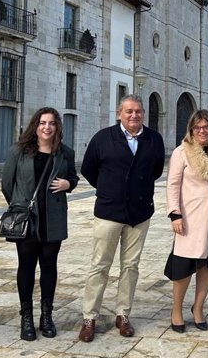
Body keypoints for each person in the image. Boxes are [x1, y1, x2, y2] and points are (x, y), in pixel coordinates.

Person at [78, 95, 165, 342]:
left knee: (130, 267)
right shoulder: (103, 138)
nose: (134, 115)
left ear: (143, 114)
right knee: (100, 266)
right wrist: (109, 190)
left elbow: (155, 170)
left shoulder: (154, 140)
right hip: (109, 212)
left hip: (139, 214)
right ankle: (89, 317)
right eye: (129, 111)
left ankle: (123, 314)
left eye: (138, 111)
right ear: (119, 113)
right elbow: (89, 170)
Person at [1, 107, 79, 341]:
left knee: (49, 267)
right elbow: (7, 184)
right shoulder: (19, 151)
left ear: (57, 127)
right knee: (26, 266)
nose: (47, 127)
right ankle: (26, 316)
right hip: (26, 220)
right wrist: (20, 206)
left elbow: (73, 177)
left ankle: (47, 316)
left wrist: (68, 184)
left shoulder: (65, 153)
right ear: (35, 126)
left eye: (52, 123)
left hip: (53, 220)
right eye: (43, 123)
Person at [165, 110, 208, 333]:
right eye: (198, 128)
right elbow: (173, 184)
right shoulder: (181, 152)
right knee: (184, 266)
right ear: (191, 130)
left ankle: (198, 308)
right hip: (190, 217)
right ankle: (177, 310)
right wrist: (175, 213)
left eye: (206, 127)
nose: (202, 131)